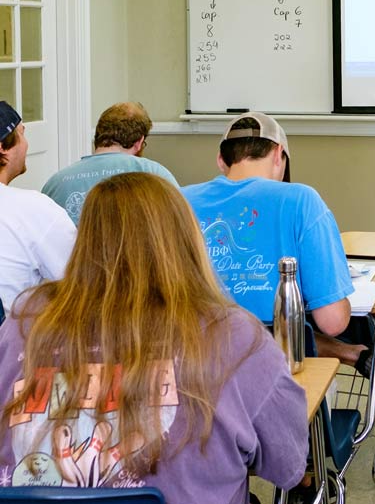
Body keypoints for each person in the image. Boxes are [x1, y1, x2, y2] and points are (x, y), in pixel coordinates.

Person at [0, 172, 307, 501]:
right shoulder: (234, 336)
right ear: (185, 238)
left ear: (84, 241)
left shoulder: (27, 320)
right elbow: (287, 466)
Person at [181, 112, 354, 350]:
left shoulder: (178, 199)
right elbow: (333, 322)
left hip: (192, 360)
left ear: (221, 160)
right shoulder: (302, 200)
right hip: (278, 364)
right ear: (277, 154)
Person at [42, 101, 178, 223]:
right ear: (139, 142)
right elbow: (181, 224)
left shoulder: (55, 183)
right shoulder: (156, 175)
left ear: (98, 135)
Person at [0, 101, 76, 313]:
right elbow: (80, 281)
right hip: (12, 342)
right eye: (22, 134)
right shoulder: (33, 209)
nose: (26, 143)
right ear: (3, 148)